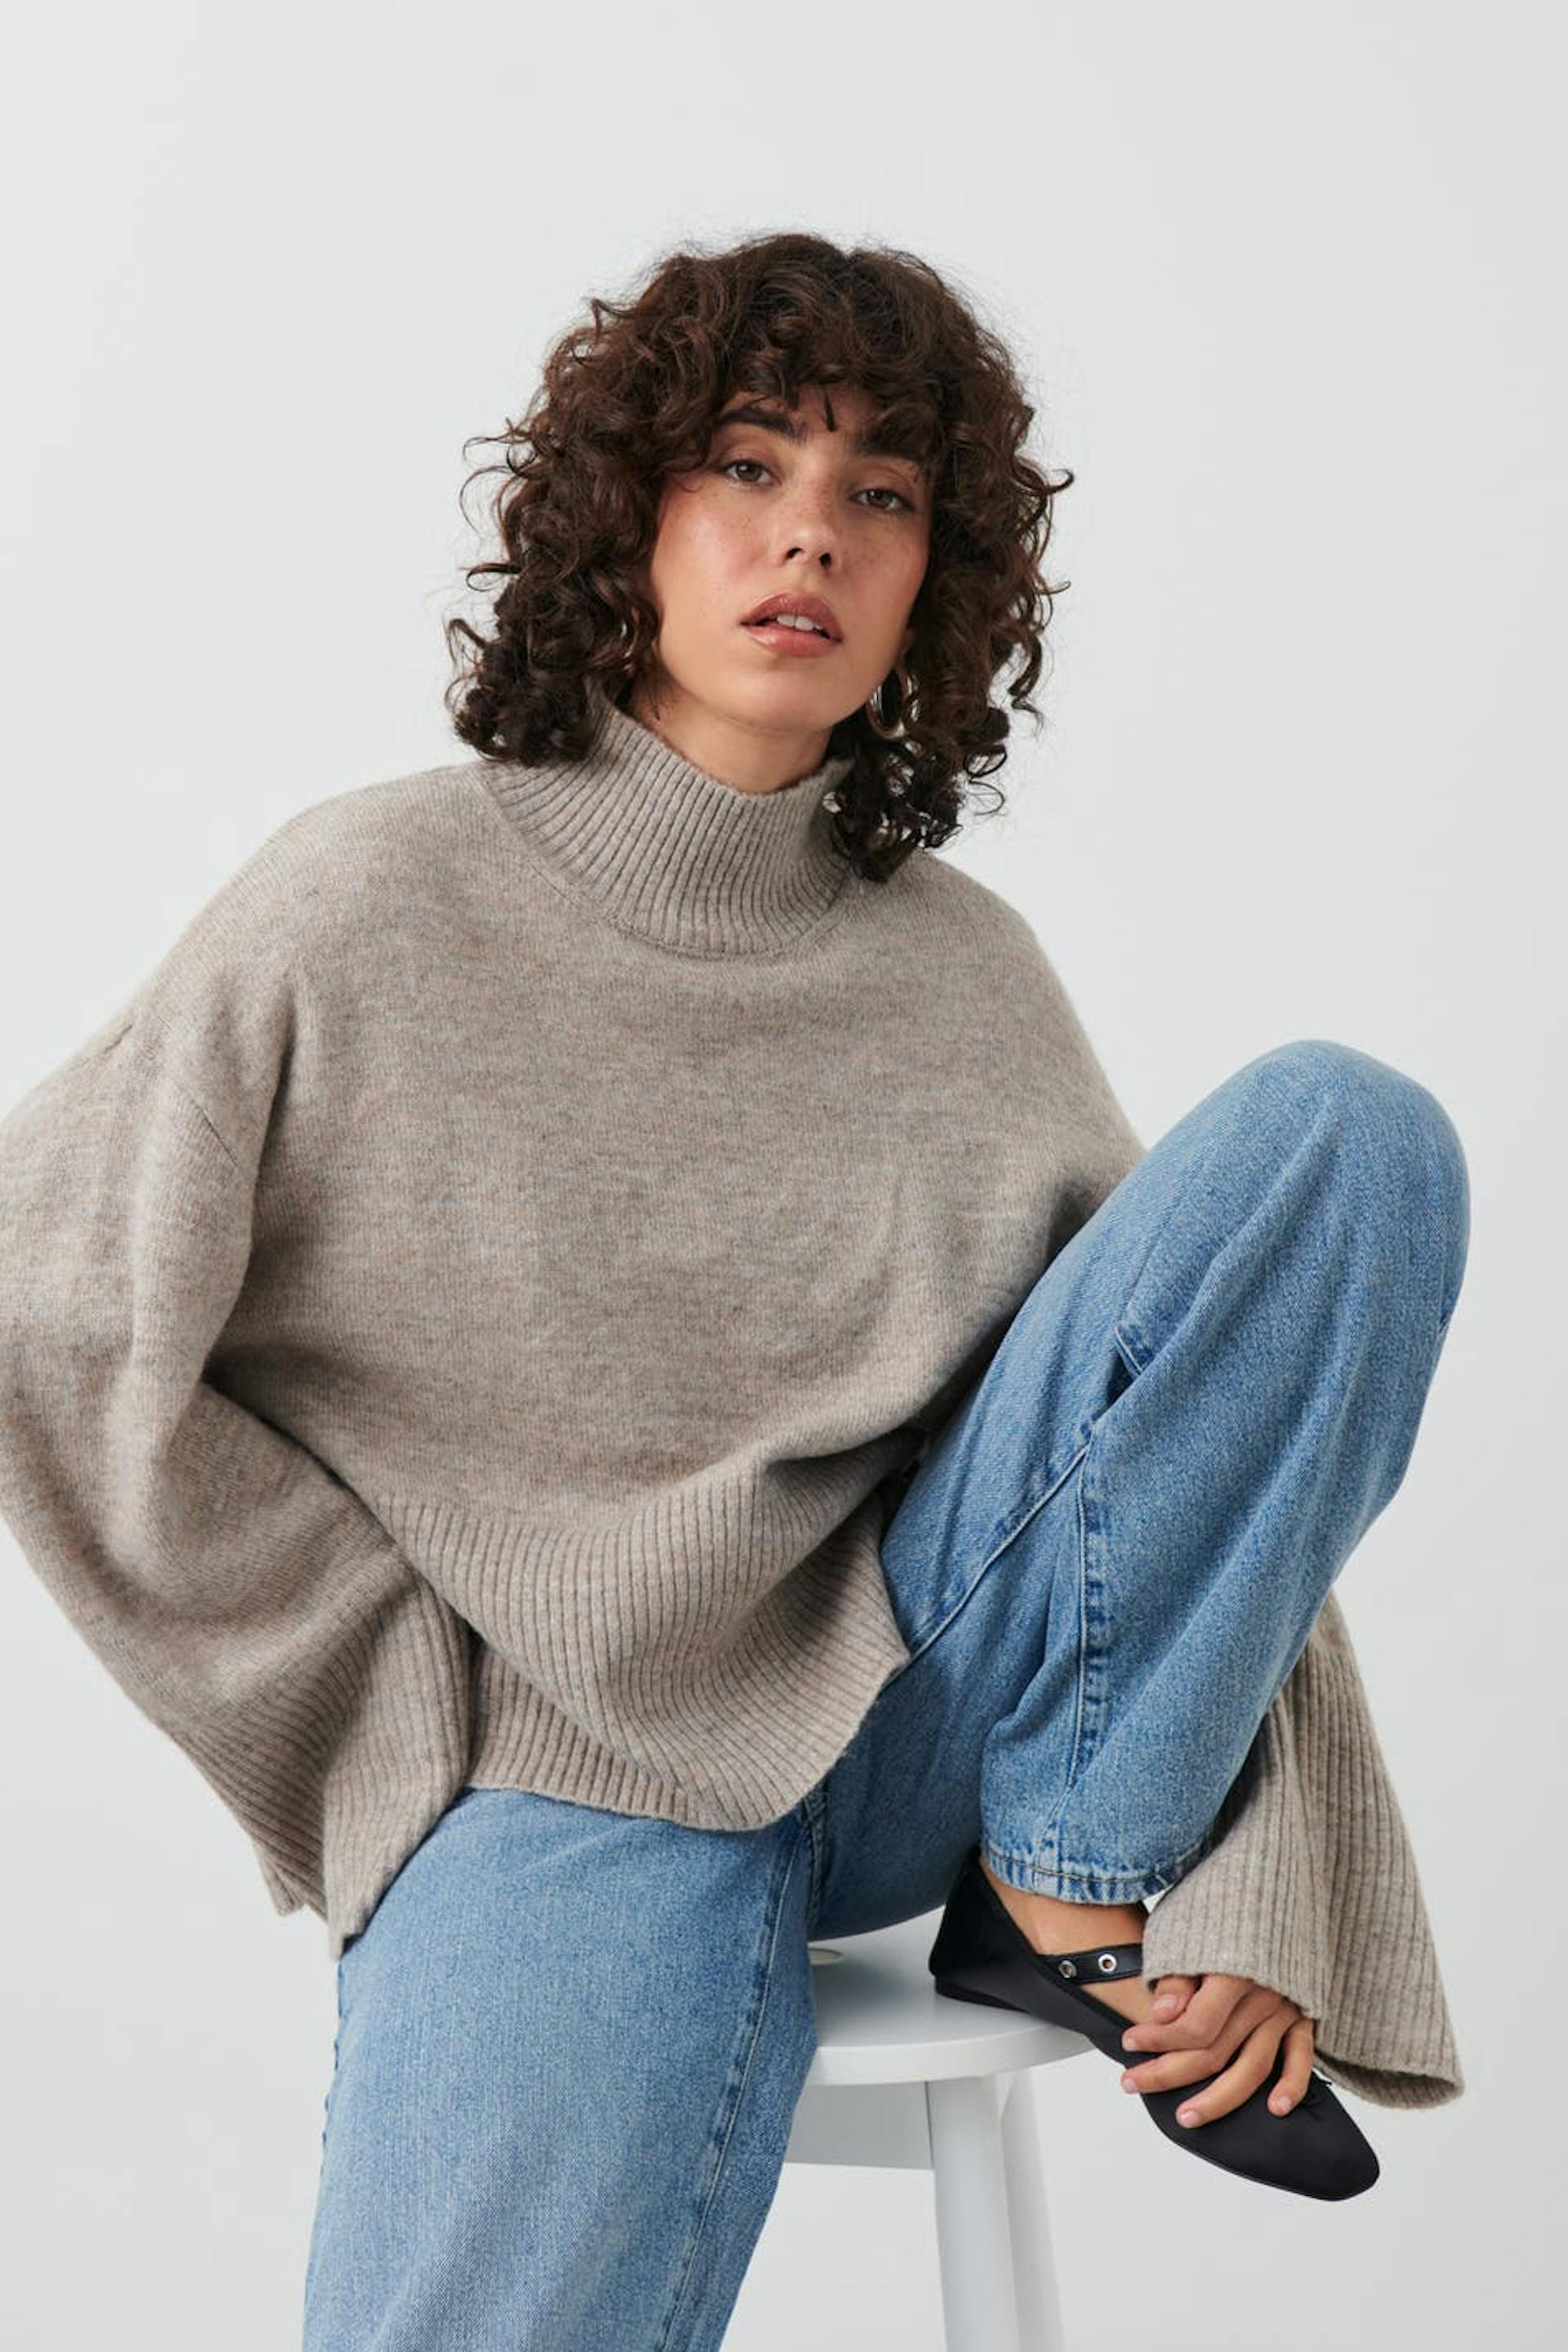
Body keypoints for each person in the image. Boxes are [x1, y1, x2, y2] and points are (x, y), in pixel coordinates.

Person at [0, 232, 1468, 2346]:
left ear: (936, 579)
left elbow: (1198, 1460)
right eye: (749, 467)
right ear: (628, 525)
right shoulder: (365, 901)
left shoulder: (965, 975)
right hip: (557, 1751)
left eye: (883, 493)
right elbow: (51, 1314)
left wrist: (1225, 1871)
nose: (813, 536)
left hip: (934, 1728)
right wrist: (379, 1705)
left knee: (1347, 1135)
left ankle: (1062, 1882)